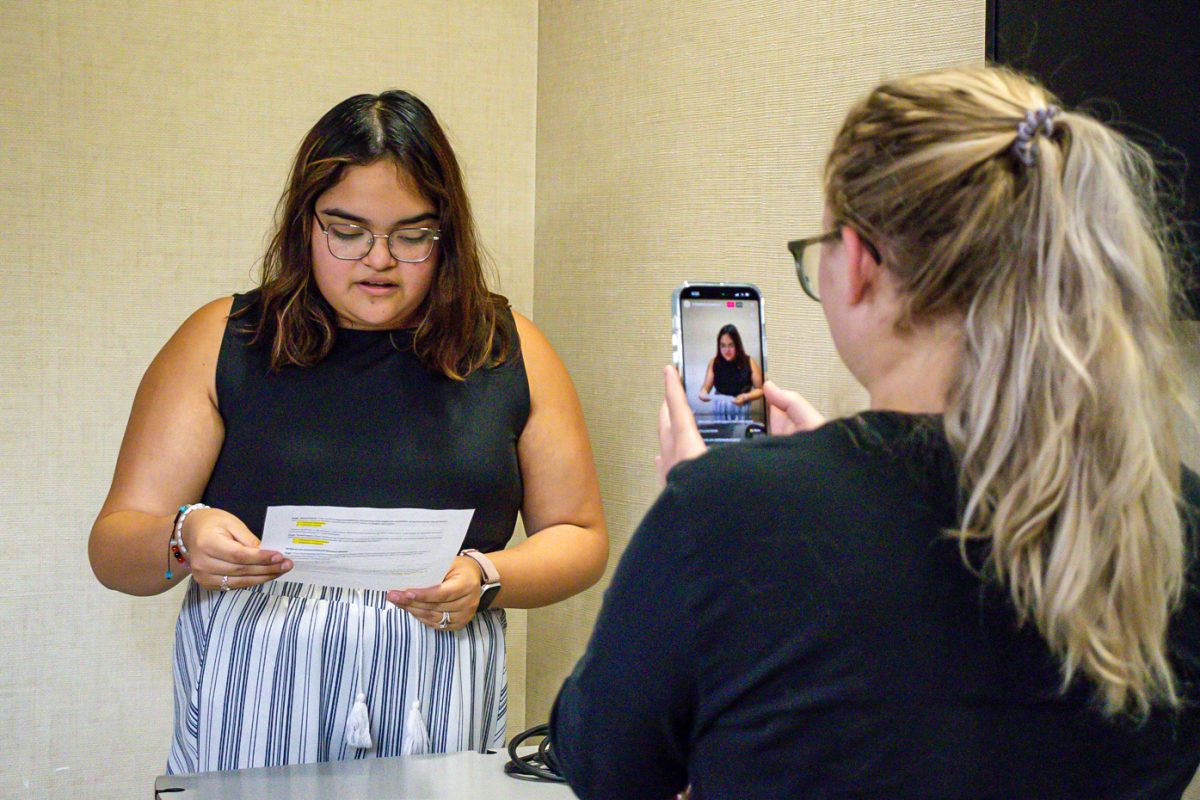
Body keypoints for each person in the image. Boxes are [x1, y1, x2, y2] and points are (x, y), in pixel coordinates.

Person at [549, 66, 1200, 799]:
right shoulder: (1175, 518)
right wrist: (840, 481)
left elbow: (602, 761)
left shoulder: (728, 515)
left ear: (856, 262)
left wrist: (714, 507)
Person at [89, 90, 607, 774]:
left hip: (438, 687)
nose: (379, 260)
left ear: (445, 232)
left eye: (411, 234)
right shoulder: (226, 340)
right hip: (255, 695)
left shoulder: (506, 347)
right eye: (348, 230)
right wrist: (184, 538)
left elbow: (580, 536)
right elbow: (115, 545)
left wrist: (489, 576)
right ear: (306, 224)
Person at [696, 324, 763, 420]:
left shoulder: (749, 361)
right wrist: (702, 394)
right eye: (723, 346)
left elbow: (760, 390)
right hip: (720, 413)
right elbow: (705, 389)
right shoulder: (714, 363)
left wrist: (745, 397)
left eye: (730, 345)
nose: (726, 350)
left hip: (742, 411)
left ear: (737, 345)